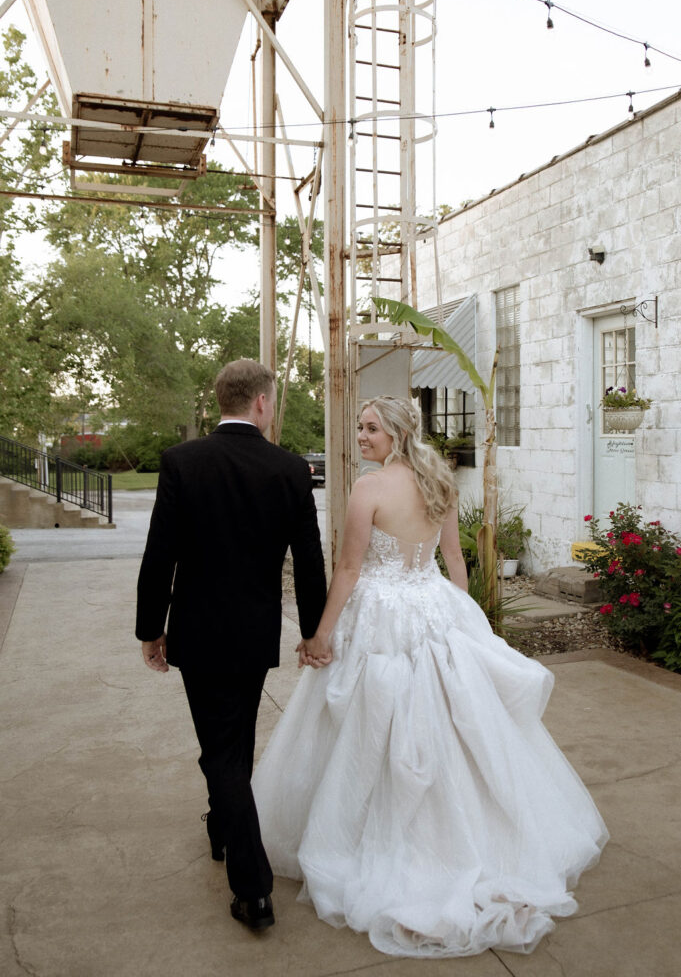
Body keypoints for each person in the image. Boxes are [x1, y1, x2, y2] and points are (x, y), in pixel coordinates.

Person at [252, 395, 608, 958]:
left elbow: (348, 567)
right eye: (361, 426)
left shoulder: (368, 490)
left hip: (382, 613)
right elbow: (455, 565)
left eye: (370, 428)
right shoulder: (441, 483)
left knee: (376, 726)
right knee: (447, 724)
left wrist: (321, 634)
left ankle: (391, 844)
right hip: (433, 604)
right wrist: (463, 620)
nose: (362, 436)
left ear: (395, 433)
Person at [136, 358, 327, 932]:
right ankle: (224, 825)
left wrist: (152, 628)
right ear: (262, 403)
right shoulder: (290, 468)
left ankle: (253, 888)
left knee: (221, 748)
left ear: (222, 400)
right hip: (253, 632)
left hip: (197, 630)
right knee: (232, 739)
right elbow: (310, 562)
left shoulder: (183, 462)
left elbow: (159, 555)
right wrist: (313, 630)